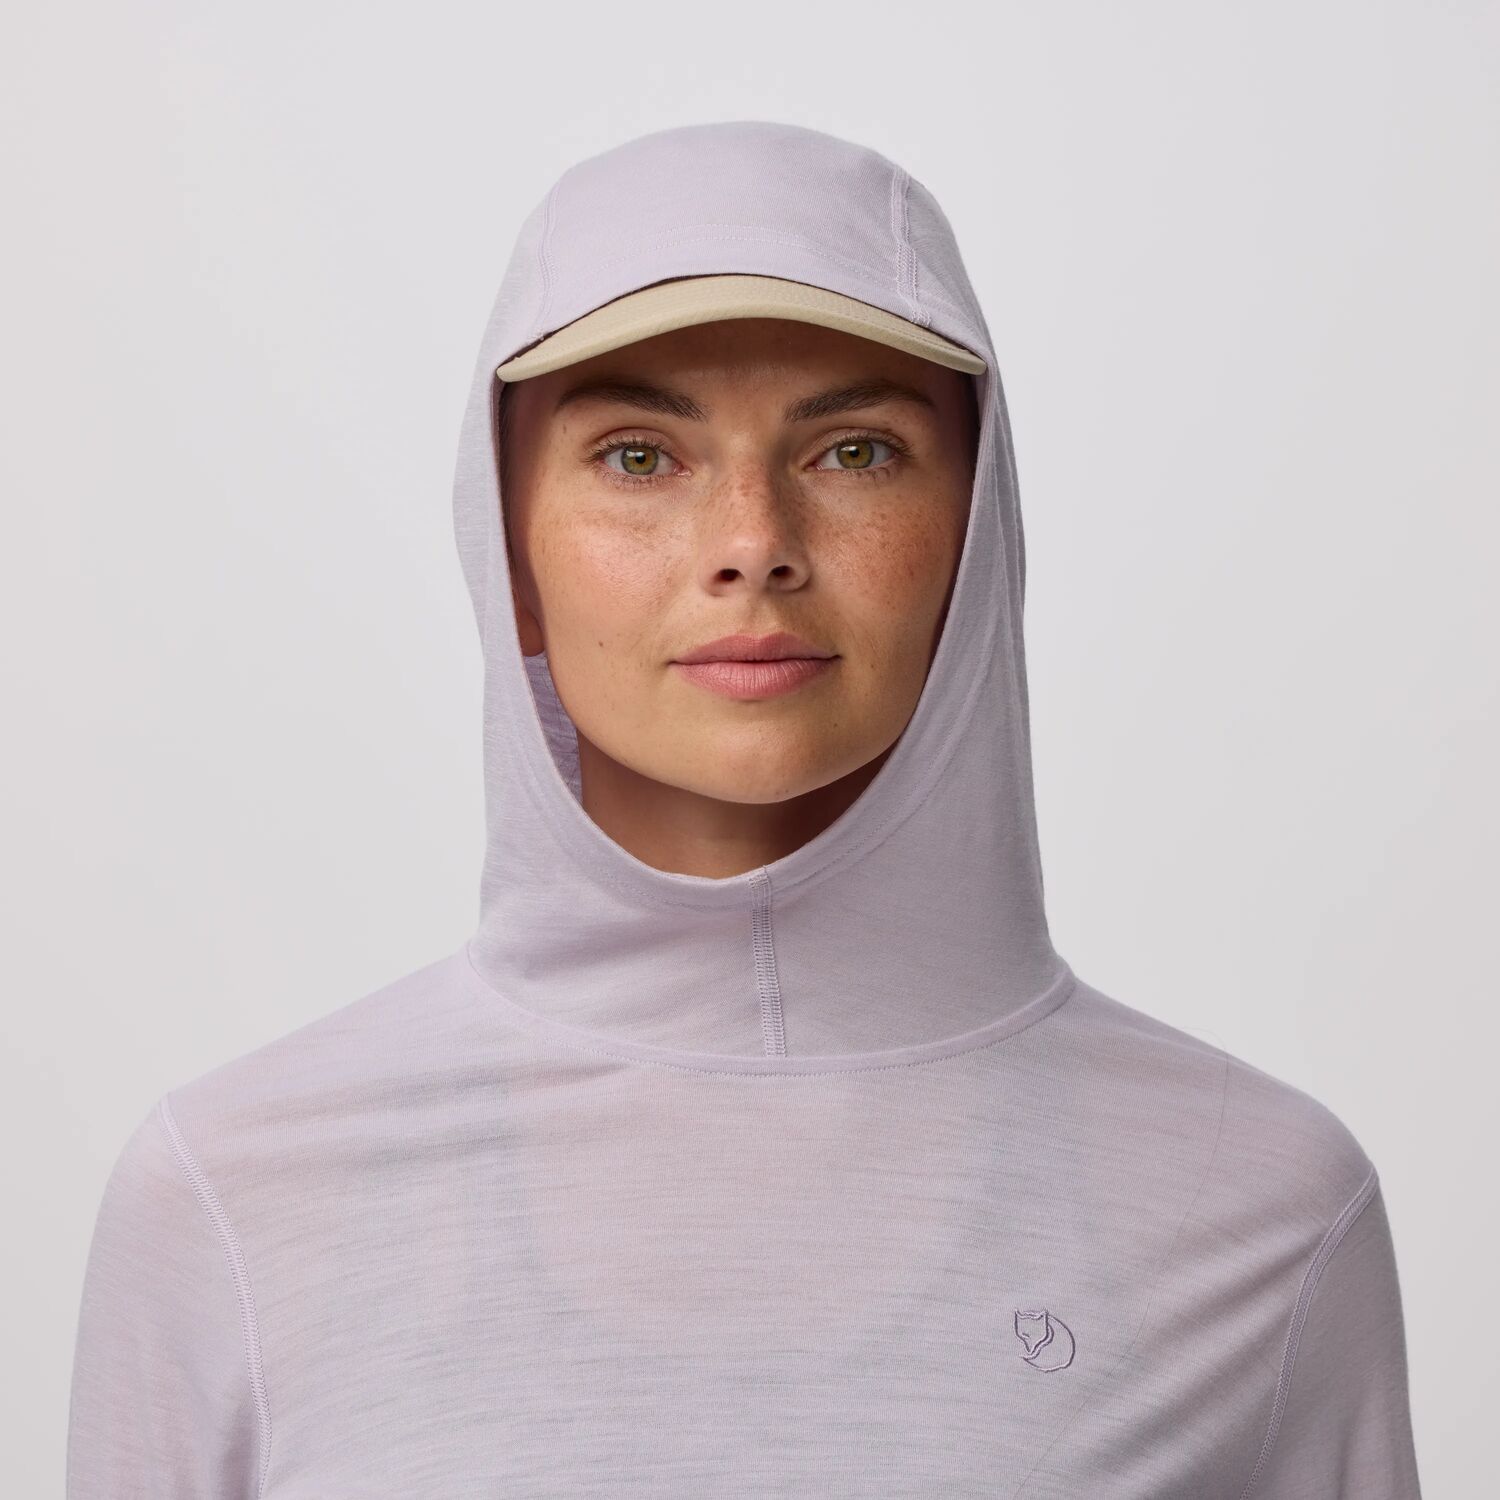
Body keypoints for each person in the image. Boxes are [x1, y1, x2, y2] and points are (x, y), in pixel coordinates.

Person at [65, 120, 1423, 1497]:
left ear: (977, 532)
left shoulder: (1258, 1212)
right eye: (638, 457)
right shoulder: (233, 1202)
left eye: (857, 451)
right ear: (509, 545)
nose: (753, 544)